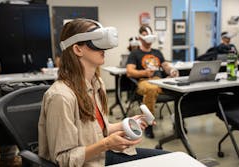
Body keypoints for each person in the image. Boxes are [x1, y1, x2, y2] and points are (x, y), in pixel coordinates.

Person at [38, 18, 168, 167]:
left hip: (102, 156)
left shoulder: (97, 84)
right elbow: (63, 159)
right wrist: (106, 144)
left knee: (174, 158)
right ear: (77, 49)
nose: (104, 49)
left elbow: (99, 129)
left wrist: (128, 124)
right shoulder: (61, 97)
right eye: (96, 42)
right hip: (91, 162)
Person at [126, 25, 179, 138]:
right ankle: (148, 124)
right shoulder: (135, 53)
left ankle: (178, 122)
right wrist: (144, 73)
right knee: (151, 89)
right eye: (145, 35)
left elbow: (165, 66)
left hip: (159, 81)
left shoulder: (157, 52)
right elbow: (129, 71)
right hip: (144, 82)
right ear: (140, 38)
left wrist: (172, 71)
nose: (148, 38)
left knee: (178, 89)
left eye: (149, 35)